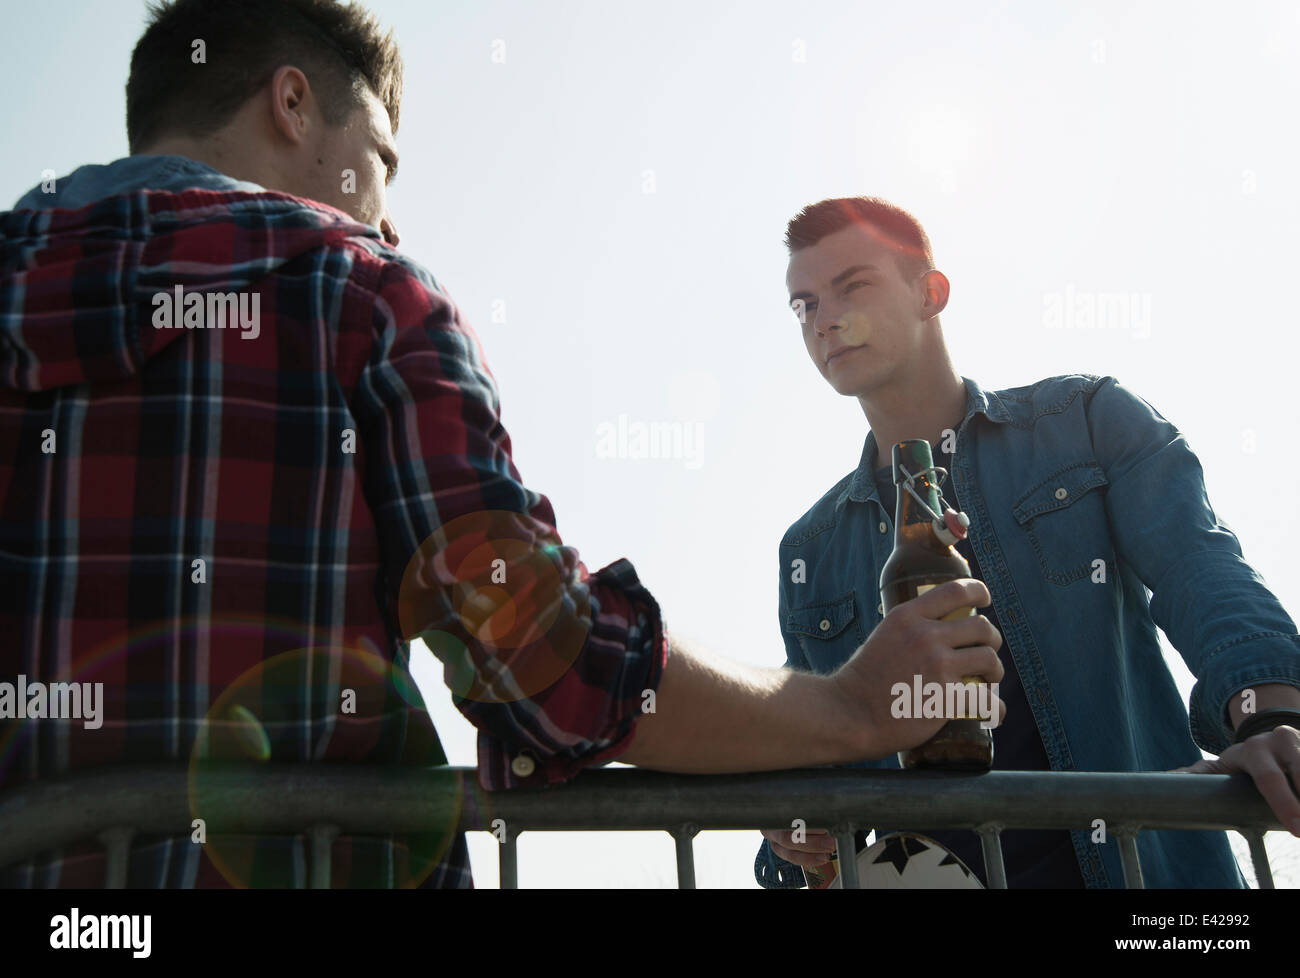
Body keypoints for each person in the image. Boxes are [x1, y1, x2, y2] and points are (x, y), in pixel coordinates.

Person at [0, 2, 1004, 887]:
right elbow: (553, 667)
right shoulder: (358, 297)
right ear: (292, 104)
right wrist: (854, 708)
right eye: (380, 158)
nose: (383, 208)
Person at [754, 196, 1300, 889]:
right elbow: (815, 755)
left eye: (851, 287)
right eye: (803, 305)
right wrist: (790, 838)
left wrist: (1269, 718)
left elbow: (1201, 567)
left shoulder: (1087, 422)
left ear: (931, 292)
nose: (824, 319)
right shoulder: (813, 547)